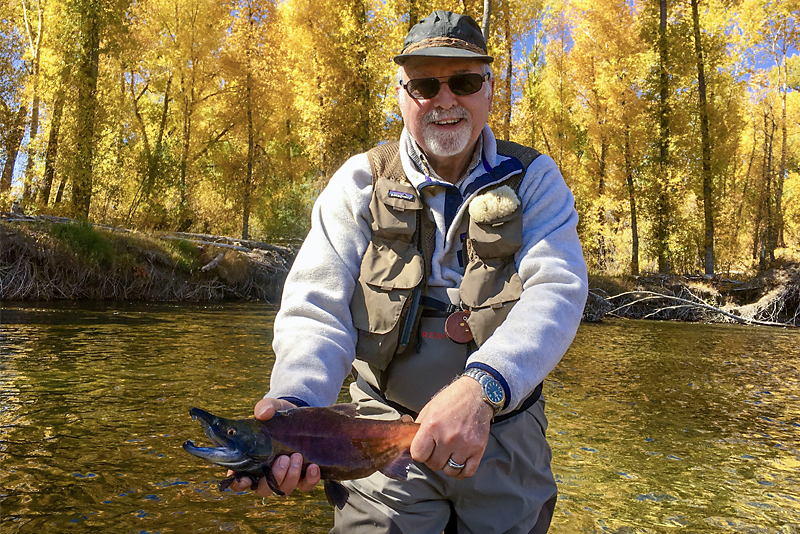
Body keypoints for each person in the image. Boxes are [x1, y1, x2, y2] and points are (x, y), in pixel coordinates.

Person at [229, 10, 588, 533]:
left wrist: (484, 388)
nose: (445, 100)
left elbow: (556, 291)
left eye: (463, 82)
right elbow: (315, 307)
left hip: (504, 431)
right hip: (373, 436)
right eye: (425, 84)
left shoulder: (535, 178)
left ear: (489, 90)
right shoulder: (358, 180)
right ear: (402, 94)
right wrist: (299, 411)